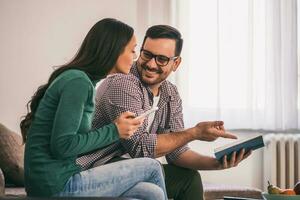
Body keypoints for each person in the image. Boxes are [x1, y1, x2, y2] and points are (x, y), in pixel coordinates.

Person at [77, 24, 254, 200]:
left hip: (134, 167)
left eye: (161, 59)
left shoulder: (170, 93)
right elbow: (141, 148)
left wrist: (217, 163)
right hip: (98, 168)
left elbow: (177, 153)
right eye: (146, 54)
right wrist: (195, 132)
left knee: (188, 178)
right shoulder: (123, 83)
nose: (151, 64)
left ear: (176, 63)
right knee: (151, 173)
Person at [19, 18, 168, 200]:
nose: (135, 57)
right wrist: (115, 131)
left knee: (151, 193)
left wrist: (116, 128)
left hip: (56, 181)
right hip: (56, 185)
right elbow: (63, 146)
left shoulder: (81, 81)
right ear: (113, 50)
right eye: (132, 50)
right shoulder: (78, 82)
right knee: (152, 167)